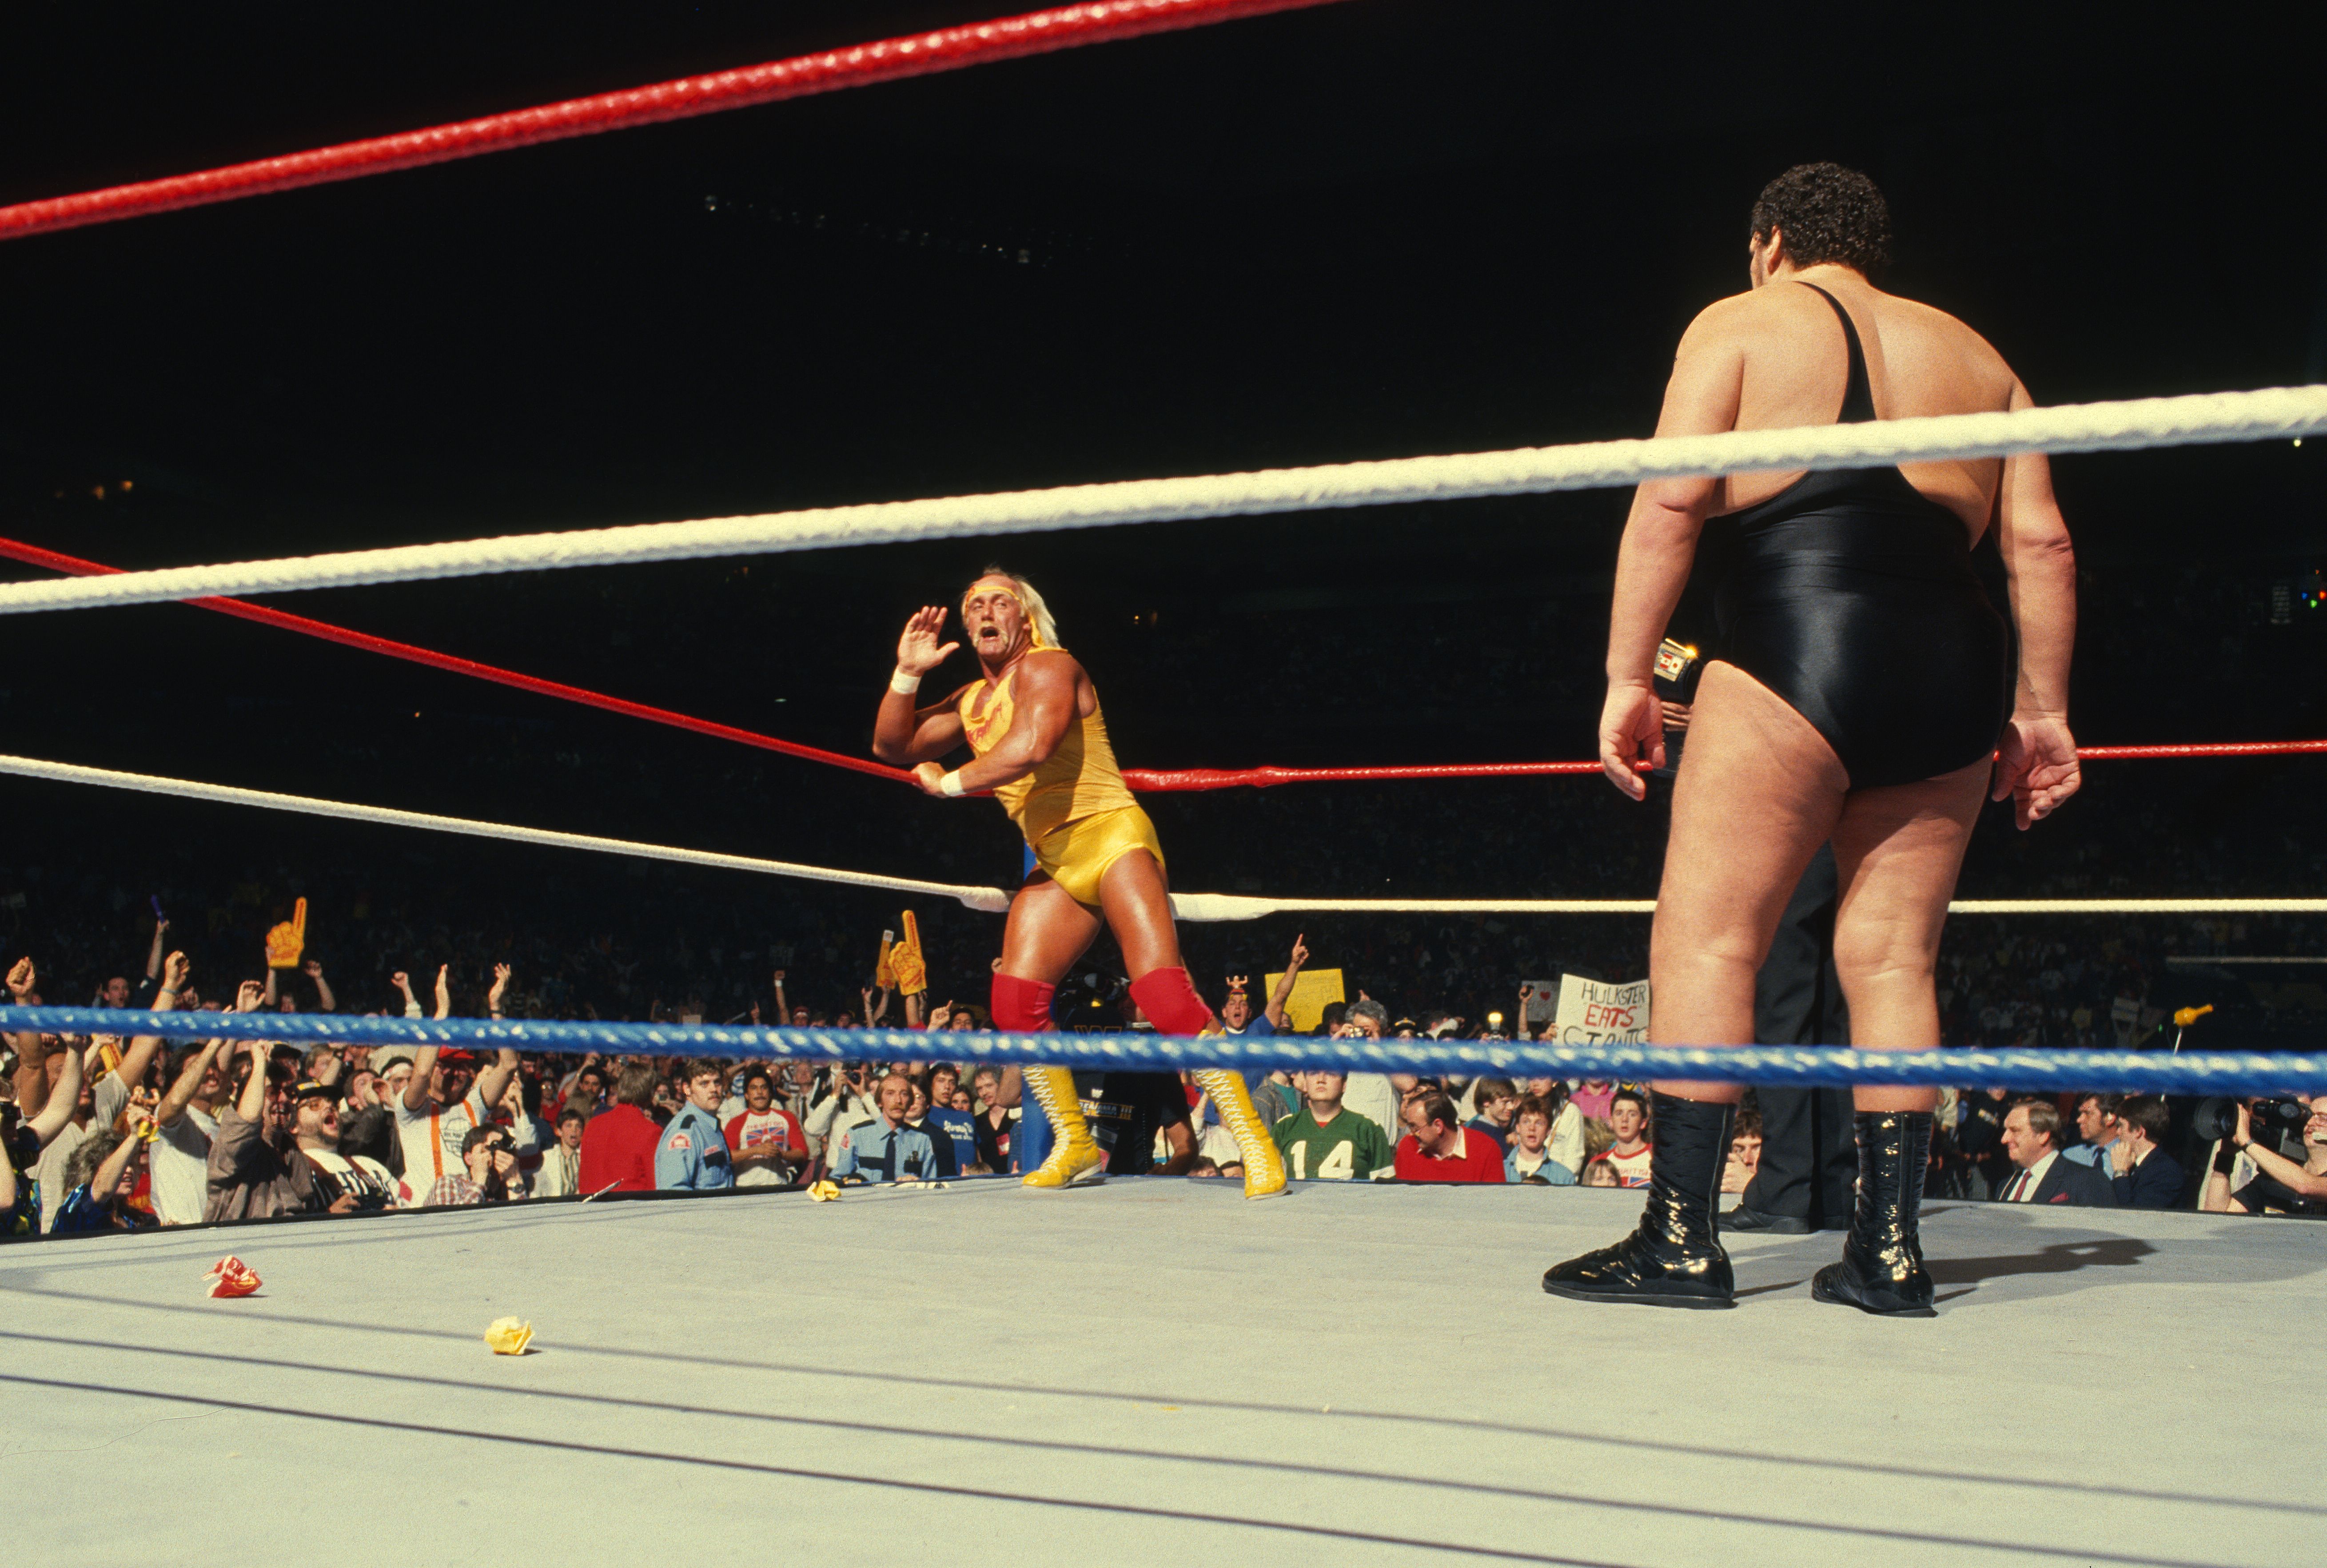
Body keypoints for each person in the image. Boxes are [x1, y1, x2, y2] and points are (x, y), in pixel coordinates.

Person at [1545, 163, 2081, 1316]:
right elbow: (2038, 546)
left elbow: (1667, 501)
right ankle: (1886, 1252)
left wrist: (1623, 676)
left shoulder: (1740, 322)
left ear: (1767, 242)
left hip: (1800, 629)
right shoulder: (1979, 357)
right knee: (1889, 959)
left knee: (1706, 938)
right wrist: (2039, 713)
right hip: (1952, 657)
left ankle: (1680, 1239)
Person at [872, 568, 1284, 1199]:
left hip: (1113, 838)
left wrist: (949, 783)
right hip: (1058, 862)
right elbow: (891, 743)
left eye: (998, 602)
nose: (984, 611)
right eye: (973, 604)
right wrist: (907, 672)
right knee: (1012, 1000)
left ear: (1025, 617)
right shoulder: (969, 700)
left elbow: (1033, 745)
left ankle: (1254, 1141)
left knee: (1164, 994)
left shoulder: (1049, 665)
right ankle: (1074, 1141)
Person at [2200, 1095, 2327, 1216]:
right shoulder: (2279, 1178)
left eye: (2322, 1118)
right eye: (2310, 1116)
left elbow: (2306, 1185)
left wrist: (2247, 1142)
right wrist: (2226, 1156)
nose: (2311, 1123)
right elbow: (2216, 1216)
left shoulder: (2299, 1180)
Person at [291, 1078, 396, 1211]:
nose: (329, 1107)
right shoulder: (294, 1172)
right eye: (315, 1105)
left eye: (333, 1104)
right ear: (293, 1125)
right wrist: (329, 1218)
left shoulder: (370, 1166)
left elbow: (410, 1206)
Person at [1270, 1071, 1394, 1182]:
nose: (1321, 1080)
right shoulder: (1284, 1128)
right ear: (1306, 1083)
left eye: (1330, 1073)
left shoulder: (1368, 1129)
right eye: (1313, 1073)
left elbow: (1386, 1194)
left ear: (1344, 1085)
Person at [1995, 1099, 2116, 1206]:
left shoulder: (2088, 1181)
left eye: (2015, 1131)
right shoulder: (2005, 1187)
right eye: (2006, 1131)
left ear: (2043, 1136)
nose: (2004, 1139)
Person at [829, 1072, 939, 1184]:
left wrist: (918, 1183)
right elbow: (838, 1179)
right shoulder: (857, 1135)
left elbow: (931, 1186)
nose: (898, 1101)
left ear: (910, 1102)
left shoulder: (922, 1140)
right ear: (880, 1101)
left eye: (904, 1094)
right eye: (890, 1094)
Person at [577, 1062, 663, 1196]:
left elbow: (585, 1179)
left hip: (591, 1210)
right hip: (632, 1211)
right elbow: (656, 1186)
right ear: (650, 1093)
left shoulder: (594, 1124)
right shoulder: (651, 1131)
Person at [657, 1058, 734, 1192]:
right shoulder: (685, 1132)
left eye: (717, 1082)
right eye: (704, 1084)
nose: (713, 1089)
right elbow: (674, 1194)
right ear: (687, 1089)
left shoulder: (709, 1124)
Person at [1395, 1092, 1506, 1183]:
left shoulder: (1486, 1150)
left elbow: (1493, 1205)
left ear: (1438, 1126)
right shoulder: (1407, 1148)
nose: (1411, 1133)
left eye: (1415, 1127)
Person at [725, 1068, 808, 1187]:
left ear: (770, 1093)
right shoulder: (736, 1123)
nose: (759, 1092)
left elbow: (802, 1153)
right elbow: (727, 1157)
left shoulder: (787, 1117)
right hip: (746, 1189)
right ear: (746, 1095)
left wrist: (781, 1154)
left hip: (779, 1186)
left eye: (764, 1088)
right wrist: (757, 1150)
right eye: (754, 1088)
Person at [2107, 1095, 2184, 1210]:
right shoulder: (2135, 1166)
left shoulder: (2166, 1173)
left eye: (2121, 1126)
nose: (2118, 1132)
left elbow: (2134, 1218)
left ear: (2138, 1131)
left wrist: (2120, 1173)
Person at [1588, 1090, 1654, 1188]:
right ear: (1611, 1121)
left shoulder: (1656, 1157)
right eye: (1619, 1113)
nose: (1625, 1119)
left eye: (1632, 1114)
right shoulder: (1599, 1162)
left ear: (1643, 1123)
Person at [1506, 1095, 1575, 1184]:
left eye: (1539, 1123)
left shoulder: (1564, 1177)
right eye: (1526, 1122)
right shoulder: (1502, 1170)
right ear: (1518, 1127)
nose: (1532, 1128)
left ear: (1548, 1131)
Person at [2060, 1092, 2123, 1170]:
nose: (2079, 1120)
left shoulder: (2129, 1158)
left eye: (2088, 1113)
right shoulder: (2071, 1157)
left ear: (2109, 1119)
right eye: (2081, 1114)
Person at [534, 1108, 586, 1197]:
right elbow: (537, 1190)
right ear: (559, 1131)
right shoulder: (546, 1157)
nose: (574, 1130)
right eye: (569, 1126)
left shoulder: (584, 1158)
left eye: (578, 1126)